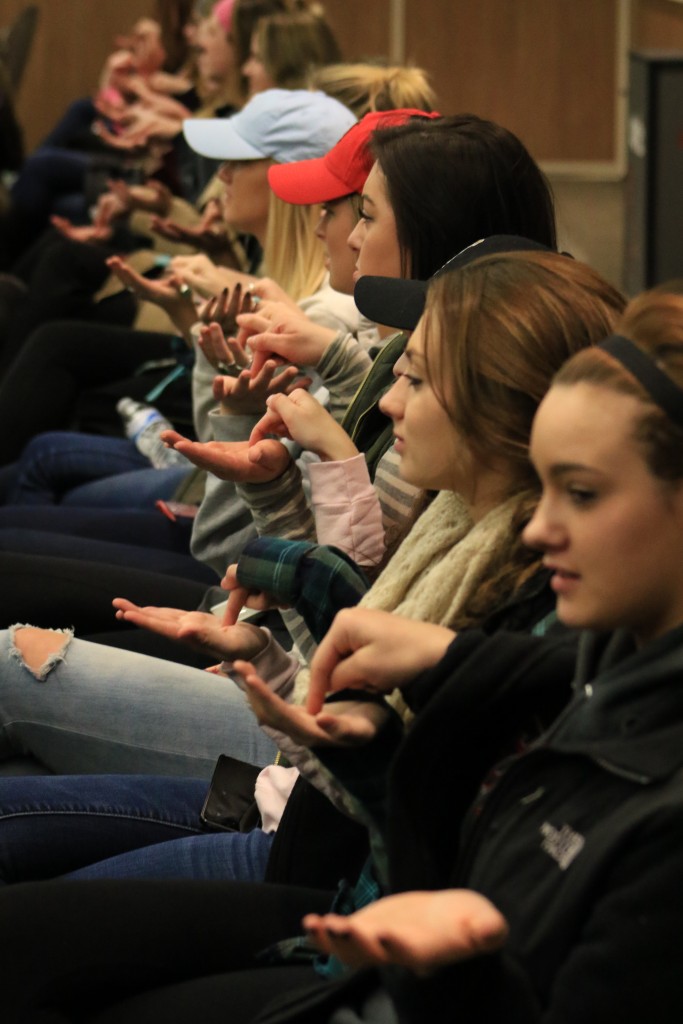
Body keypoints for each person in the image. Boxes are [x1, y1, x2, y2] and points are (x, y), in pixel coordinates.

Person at [0, 251, 659, 1024]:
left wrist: (323, 465)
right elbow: (345, 685)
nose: (390, 400)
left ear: (498, 406)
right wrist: (274, 662)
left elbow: (284, 586)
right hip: (294, 805)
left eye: (361, 213)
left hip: (305, 847)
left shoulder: (540, 597)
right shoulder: (475, 540)